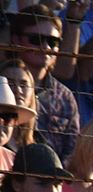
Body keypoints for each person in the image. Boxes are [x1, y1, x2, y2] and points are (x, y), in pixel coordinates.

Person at [11, 6, 79, 164]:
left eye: (53, 41)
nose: (46, 47)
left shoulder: (65, 97)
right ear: (15, 40)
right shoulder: (2, 84)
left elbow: (71, 153)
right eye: (36, 40)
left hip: (49, 180)